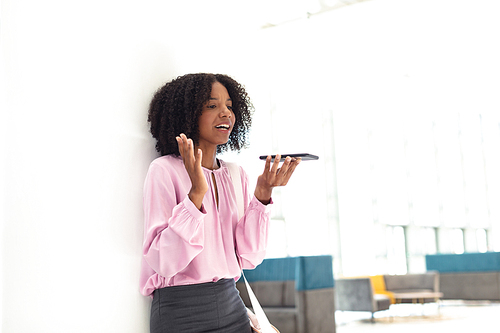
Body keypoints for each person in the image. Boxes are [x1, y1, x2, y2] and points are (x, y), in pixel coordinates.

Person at [140, 73, 301, 333]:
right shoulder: (164, 171)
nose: (226, 113)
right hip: (180, 313)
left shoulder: (237, 175)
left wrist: (262, 194)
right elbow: (163, 262)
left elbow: (249, 257)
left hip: (231, 305)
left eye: (229, 106)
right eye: (212, 106)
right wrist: (195, 197)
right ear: (189, 114)